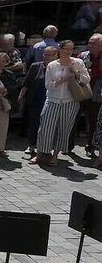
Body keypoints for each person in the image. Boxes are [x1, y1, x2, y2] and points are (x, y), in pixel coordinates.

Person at [34, 39, 89, 167]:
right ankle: (39, 154)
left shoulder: (78, 62)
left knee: (64, 129)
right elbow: (48, 85)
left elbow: (86, 79)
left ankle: (55, 156)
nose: (69, 51)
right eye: (66, 49)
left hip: (70, 101)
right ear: (60, 49)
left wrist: (75, 72)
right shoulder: (52, 65)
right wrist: (62, 79)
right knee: (45, 128)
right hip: (52, 100)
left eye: (71, 49)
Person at [19, 46, 56, 158]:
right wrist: (21, 96)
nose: (46, 57)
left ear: (55, 56)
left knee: (48, 125)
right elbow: (27, 83)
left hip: (51, 100)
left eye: (49, 55)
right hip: (35, 100)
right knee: (33, 124)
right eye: (45, 54)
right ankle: (32, 145)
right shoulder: (35, 66)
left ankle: (45, 147)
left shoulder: (57, 67)